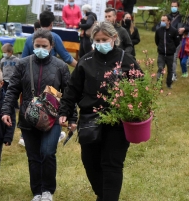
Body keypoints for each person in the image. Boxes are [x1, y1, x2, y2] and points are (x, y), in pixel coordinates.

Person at [58, 21, 140, 201]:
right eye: (97, 40)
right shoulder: (85, 61)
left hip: (118, 122)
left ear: (114, 38)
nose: (101, 43)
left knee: (111, 164)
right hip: (90, 119)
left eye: (105, 39)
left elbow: (140, 88)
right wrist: (65, 110)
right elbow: (72, 89)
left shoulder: (126, 61)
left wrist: (138, 108)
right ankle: (103, 195)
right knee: (90, 162)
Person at [1, 29, 76, 201]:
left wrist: (72, 118)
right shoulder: (22, 64)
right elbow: (12, 90)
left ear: (51, 46)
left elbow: (69, 94)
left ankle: (48, 190)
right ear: (32, 45)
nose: (40, 48)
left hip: (53, 117)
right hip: (29, 117)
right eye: (37, 45)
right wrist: (6, 110)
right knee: (33, 156)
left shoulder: (60, 66)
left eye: (44, 46)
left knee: (48, 152)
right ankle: (37, 191)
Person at [168, 0, 189, 81]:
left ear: (178, 7)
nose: (173, 8)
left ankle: (173, 74)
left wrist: (183, 28)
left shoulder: (182, 17)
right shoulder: (168, 17)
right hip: (168, 40)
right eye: (172, 6)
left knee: (174, 57)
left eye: (175, 6)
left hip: (177, 41)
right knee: (169, 58)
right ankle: (170, 72)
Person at [155, 14, 179, 89]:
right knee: (160, 68)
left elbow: (177, 42)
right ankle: (159, 84)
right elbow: (157, 41)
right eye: (161, 20)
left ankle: (169, 84)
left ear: (168, 21)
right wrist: (160, 48)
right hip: (161, 54)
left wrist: (171, 48)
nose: (162, 22)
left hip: (170, 54)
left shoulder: (174, 31)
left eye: (164, 20)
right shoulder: (158, 31)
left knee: (170, 70)